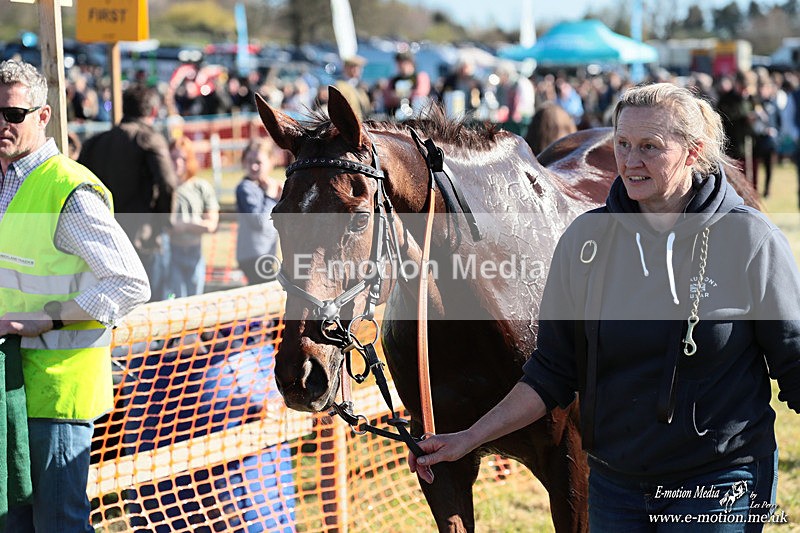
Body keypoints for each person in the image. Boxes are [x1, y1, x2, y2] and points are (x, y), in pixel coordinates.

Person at [410, 82, 800, 530]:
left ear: (694, 152)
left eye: (650, 147)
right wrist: (468, 438)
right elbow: (552, 372)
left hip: (720, 483)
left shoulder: (750, 240)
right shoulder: (584, 241)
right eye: (623, 144)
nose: (630, 162)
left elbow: (795, 362)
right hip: (616, 488)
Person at [0, 59, 150, 532]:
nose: (2, 124)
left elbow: (129, 283)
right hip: (13, 391)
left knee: (59, 526)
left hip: (57, 396)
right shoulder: (7, 181)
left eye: (13, 114)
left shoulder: (68, 189)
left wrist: (47, 319)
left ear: (43, 117)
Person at [78, 83, 178, 301]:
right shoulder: (149, 139)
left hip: (102, 242)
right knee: (154, 305)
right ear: (152, 111)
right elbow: (168, 183)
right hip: (144, 238)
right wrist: (165, 221)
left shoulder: (95, 143)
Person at [166, 135, 219, 298]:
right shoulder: (165, 188)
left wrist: (185, 225)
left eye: (182, 158)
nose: (178, 162)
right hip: (171, 253)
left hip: (195, 253)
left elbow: (211, 224)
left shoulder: (201, 187)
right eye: (173, 158)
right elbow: (163, 226)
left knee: (195, 300)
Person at [236, 138, 281, 285]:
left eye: (259, 162)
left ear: (270, 162)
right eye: (249, 161)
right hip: (253, 256)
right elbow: (259, 223)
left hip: (268, 253)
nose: (254, 167)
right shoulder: (245, 188)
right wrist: (270, 197)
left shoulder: (269, 186)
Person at [383, 50, 431, 120]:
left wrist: (401, 96)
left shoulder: (420, 76)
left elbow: (421, 92)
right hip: (396, 113)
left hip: (415, 114)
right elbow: (387, 97)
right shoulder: (393, 80)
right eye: (398, 62)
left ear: (411, 62)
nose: (400, 65)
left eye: (403, 62)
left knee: (421, 100)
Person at [334, 55, 372, 120]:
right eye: (352, 67)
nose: (356, 70)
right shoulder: (339, 85)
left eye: (358, 67)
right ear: (345, 68)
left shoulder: (362, 86)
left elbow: (366, 107)